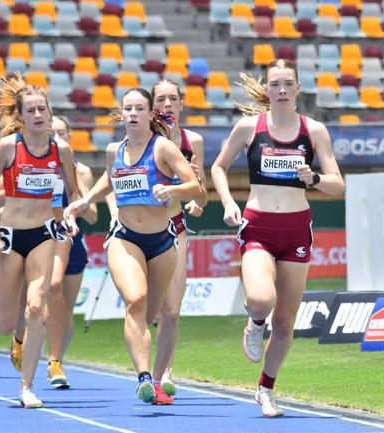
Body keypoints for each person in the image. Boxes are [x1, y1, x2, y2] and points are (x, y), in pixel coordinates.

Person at [211, 60, 344, 417]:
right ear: (266, 90)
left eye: (288, 84)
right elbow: (218, 167)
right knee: (259, 299)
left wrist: (313, 177)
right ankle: (254, 325)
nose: (282, 90)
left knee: (285, 323)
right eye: (275, 84)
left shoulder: (314, 131)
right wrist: (227, 202)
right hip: (258, 226)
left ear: (298, 89)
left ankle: (266, 389)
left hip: (297, 229)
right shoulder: (248, 128)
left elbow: (338, 184)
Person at [64, 88, 200, 405]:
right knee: (135, 301)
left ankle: (155, 379)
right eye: (128, 108)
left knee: (154, 312)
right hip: (125, 236)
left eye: (140, 108)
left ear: (150, 113)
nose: (133, 113)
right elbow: (111, 179)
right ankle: (142, 378)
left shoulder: (163, 147)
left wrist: (173, 190)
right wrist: (86, 200)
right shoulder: (115, 150)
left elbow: (194, 185)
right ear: (122, 114)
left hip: (163, 239)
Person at [0, 75, 79, 408]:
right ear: (22, 115)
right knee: (6, 323)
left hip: (43, 235)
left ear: (50, 113)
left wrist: (70, 216)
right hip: (9, 237)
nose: (38, 115)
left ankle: (27, 387)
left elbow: (72, 193)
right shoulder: (9, 147)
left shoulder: (60, 150)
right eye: (31, 110)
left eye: (42, 109)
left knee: (37, 306)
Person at [150, 80, 208, 397]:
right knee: (148, 308)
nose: (168, 105)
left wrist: (198, 197)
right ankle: (146, 370)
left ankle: (165, 371)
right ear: (153, 106)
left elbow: (203, 193)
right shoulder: (144, 139)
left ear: (182, 104)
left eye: (174, 99)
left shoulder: (193, 141)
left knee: (172, 310)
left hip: (175, 226)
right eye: (162, 99)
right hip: (143, 228)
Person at [43, 115, 97, 389]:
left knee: (64, 308)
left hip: (73, 242)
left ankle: (57, 362)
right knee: (47, 298)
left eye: (61, 133)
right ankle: (51, 360)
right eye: (52, 134)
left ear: (70, 136)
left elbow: (93, 215)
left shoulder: (81, 170)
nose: (57, 138)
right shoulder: (40, 167)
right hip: (43, 239)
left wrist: (79, 205)